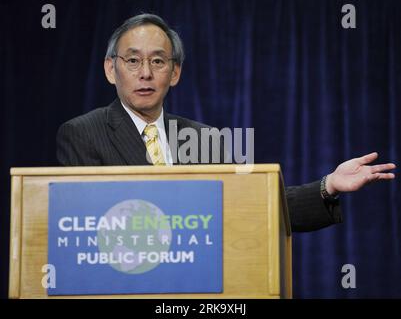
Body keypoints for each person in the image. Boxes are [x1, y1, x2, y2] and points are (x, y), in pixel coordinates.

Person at [57, 13, 396, 232]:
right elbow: (85, 228)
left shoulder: (204, 138)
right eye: (133, 60)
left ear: (174, 73)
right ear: (109, 69)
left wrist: (329, 185)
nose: (145, 73)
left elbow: (254, 208)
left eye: (158, 61)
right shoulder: (83, 133)